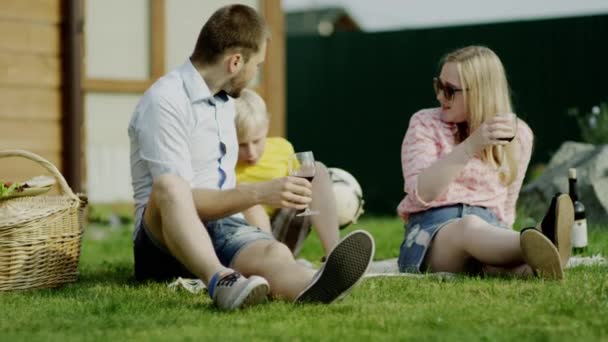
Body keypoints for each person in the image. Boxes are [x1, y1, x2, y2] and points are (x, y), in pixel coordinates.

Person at [128, 4, 374, 311]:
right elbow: (178, 199)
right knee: (170, 186)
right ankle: (221, 280)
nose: (256, 74)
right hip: (164, 241)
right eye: (256, 65)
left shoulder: (225, 104)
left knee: (275, 255)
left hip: (223, 227)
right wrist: (258, 192)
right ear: (235, 62)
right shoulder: (165, 102)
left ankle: (312, 284)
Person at [397, 45, 573, 279]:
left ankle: (537, 265)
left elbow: (508, 204)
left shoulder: (519, 134)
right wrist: (472, 144)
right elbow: (423, 192)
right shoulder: (425, 123)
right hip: (432, 234)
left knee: (511, 266)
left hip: (492, 230)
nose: (440, 96)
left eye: (449, 90)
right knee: (469, 227)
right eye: (438, 85)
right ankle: (541, 238)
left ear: (480, 92)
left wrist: (500, 238)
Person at [234, 89, 340, 258]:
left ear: (267, 125)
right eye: (241, 145)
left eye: (256, 141)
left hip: (282, 229)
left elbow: (303, 188)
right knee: (248, 198)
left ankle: (335, 253)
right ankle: (269, 263)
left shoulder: (281, 148)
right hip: (245, 241)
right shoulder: (224, 161)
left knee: (316, 170)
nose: (251, 152)